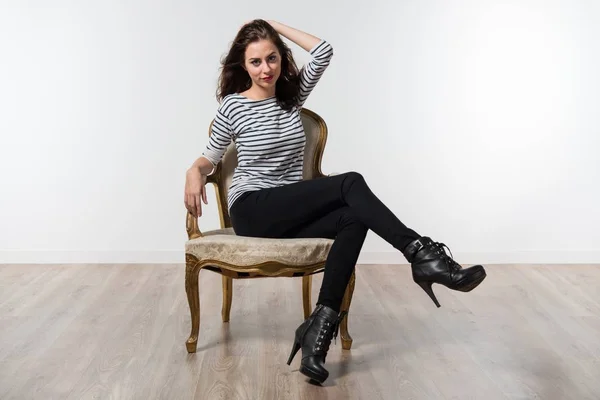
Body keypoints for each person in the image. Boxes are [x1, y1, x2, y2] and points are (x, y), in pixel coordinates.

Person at [184, 19, 486, 384]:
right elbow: (209, 157)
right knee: (351, 183)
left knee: (353, 218)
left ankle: (318, 331)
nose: (266, 69)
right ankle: (421, 255)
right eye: (256, 62)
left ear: (281, 58)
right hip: (252, 208)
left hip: (286, 208)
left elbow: (323, 50)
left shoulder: (290, 97)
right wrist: (193, 171)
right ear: (243, 66)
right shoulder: (233, 106)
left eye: (273, 58)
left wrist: (270, 25)